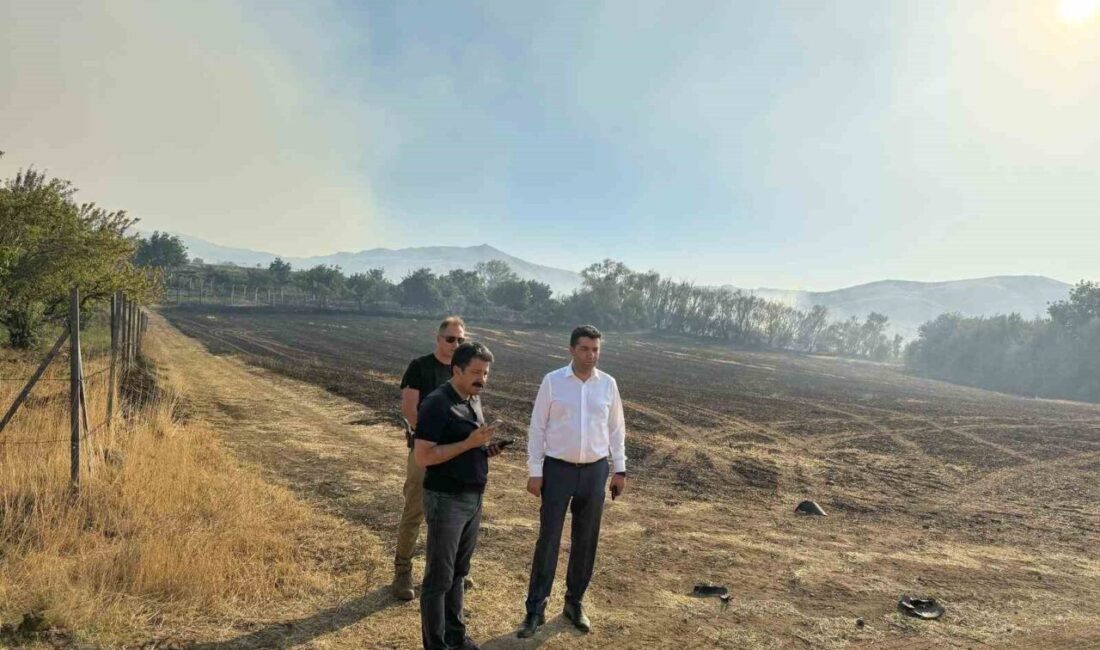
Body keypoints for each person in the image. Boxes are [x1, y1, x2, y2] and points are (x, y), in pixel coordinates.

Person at [516, 325, 627, 638]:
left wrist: (619, 470)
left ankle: (574, 602)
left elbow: (617, 429)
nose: (591, 355)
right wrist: (535, 471)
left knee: (586, 539)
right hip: (557, 470)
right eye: (584, 349)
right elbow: (537, 428)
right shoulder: (553, 382)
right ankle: (535, 609)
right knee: (549, 539)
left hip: (595, 471)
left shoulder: (608, 384)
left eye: (595, 349)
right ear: (571, 350)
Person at [415, 342, 504, 650]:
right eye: (477, 372)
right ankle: (436, 644)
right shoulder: (437, 403)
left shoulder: (472, 398)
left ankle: (456, 637)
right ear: (457, 370)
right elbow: (424, 456)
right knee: (439, 579)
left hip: (472, 499)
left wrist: (483, 449)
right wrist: (469, 444)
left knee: (459, 573)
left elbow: (465, 443)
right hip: (446, 499)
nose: (483, 379)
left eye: (486, 373)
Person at [392, 316, 469, 600]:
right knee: (415, 511)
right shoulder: (420, 367)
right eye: (451, 339)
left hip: (456, 456)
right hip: (425, 452)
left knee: (452, 516)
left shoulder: (464, 371)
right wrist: (433, 443)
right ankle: (402, 572)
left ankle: (448, 573)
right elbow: (410, 411)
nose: (456, 344)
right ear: (438, 339)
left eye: (461, 340)